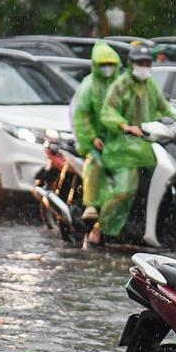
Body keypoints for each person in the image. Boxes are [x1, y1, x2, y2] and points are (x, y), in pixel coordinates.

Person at [86, 45, 176, 245]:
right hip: (122, 150)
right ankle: (99, 227)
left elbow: (165, 108)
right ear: (131, 64)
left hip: (147, 148)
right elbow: (108, 112)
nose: (144, 67)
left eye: (147, 63)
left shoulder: (150, 85)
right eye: (140, 63)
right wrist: (125, 125)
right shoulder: (120, 85)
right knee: (124, 190)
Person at [71, 41, 122, 221]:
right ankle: (91, 204)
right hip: (94, 141)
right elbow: (81, 116)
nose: (107, 68)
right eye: (103, 64)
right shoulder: (88, 86)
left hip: (117, 139)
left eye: (111, 64)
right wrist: (92, 138)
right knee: (96, 163)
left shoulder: (119, 84)